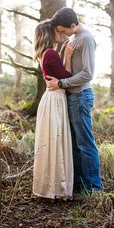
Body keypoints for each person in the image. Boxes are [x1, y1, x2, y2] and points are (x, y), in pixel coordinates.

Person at [46, 8, 102, 194]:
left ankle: (94, 187)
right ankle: (80, 186)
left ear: (73, 26)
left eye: (63, 31)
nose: (61, 34)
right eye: (58, 32)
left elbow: (87, 74)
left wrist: (61, 83)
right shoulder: (72, 39)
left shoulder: (85, 38)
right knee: (75, 145)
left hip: (81, 96)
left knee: (85, 143)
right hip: (71, 97)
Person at [32, 20, 75, 200]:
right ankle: (56, 188)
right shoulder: (51, 53)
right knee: (55, 139)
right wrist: (69, 56)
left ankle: (53, 186)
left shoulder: (47, 53)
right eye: (57, 32)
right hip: (55, 99)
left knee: (53, 140)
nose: (61, 34)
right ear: (50, 34)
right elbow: (67, 77)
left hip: (53, 98)